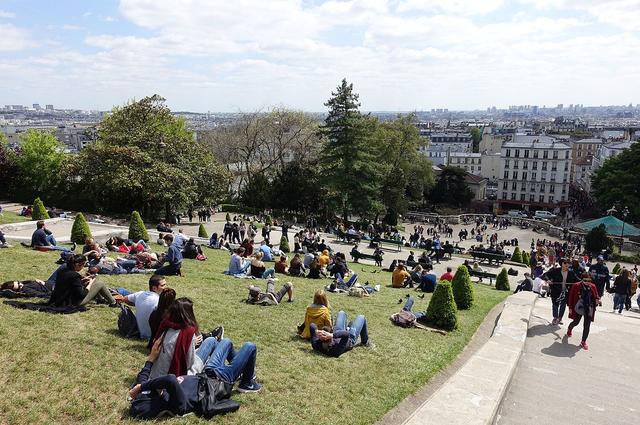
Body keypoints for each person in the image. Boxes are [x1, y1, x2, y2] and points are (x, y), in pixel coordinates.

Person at [128, 336, 261, 419]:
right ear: (157, 402)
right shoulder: (177, 405)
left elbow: (144, 376)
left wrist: (151, 358)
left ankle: (242, 371)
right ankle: (247, 383)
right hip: (221, 380)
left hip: (207, 372)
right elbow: (170, 379)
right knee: (250, 346)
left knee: (227, 342)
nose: (157, 389)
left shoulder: (146, 393)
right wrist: (142, 386)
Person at [48, 254, 116, 307]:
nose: (83, 267)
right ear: (78, 265)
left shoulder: (64, 271)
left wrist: (82, 281)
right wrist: (90, 284)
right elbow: (82, 295)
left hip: (60, 299)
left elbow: (70, 285)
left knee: (94, 282)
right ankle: (113, 303)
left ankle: (101, 300)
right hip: (72, 303)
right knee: (100, 283)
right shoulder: (74, 275)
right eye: (83, 265)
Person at [114, 275, 167, 340]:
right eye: (162, 285)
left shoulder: (140, 294)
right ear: (154, 288)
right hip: (153, 336)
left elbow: (125, 299)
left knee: (124, 291)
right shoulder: (159, 301)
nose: (165, 287)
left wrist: (138, 304)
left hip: (139, 332)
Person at [566, 275, 601, 350]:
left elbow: (596, 295)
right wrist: (570, 307)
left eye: (589, 281)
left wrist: (598, 299)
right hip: (579, 307)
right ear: (582, 280)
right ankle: (570, 328)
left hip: (589, 308)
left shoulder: (593, 286)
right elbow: (571, 297)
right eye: (586, 281)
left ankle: (583, 341)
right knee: (576, 322)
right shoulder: (576, 285)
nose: (588, 282)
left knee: (587, 325)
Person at [542, 258, 580, 325]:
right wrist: (548, 280)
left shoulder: (571, 272)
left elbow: (577, 280)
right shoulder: (555, 271)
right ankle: (555, 318)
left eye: (568, 263)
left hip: (566, 292)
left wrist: (584, 281)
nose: (567, 264)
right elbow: (545, 275)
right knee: (555, 304)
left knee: (563, 305)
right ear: (561, 264)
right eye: (565, 263)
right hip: (556, 291)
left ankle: (560, 318)